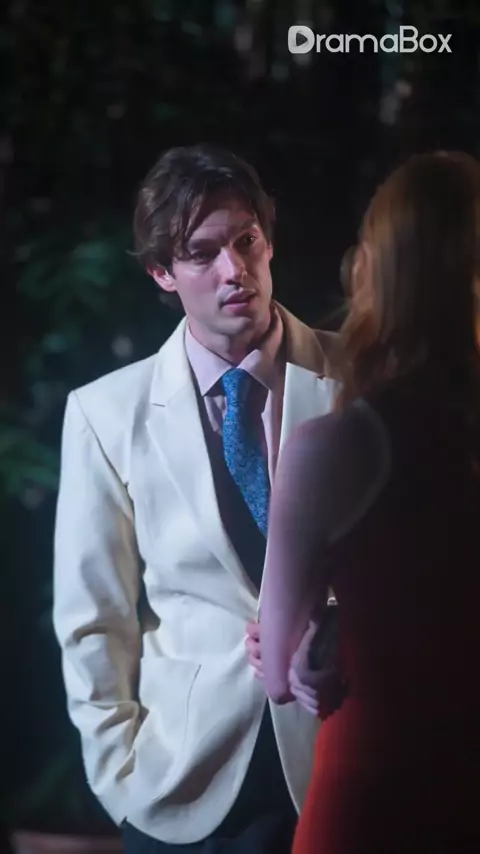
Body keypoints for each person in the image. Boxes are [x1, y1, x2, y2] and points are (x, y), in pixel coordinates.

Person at [52, 143, 339, 854]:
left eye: (246, 242)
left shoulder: (358, 376)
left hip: (342, 749)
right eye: (202, 254)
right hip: (184, 780)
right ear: (162, 272)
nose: (233, 271)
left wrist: (338, 627)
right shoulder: (106, 414)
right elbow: (93, 617)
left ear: (269, 241)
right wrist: (120, 776)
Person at [260, 151, 480, 853]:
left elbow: (277, 671)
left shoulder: (335, 447)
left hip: (374, 800)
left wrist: (327, 631)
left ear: (376, 269)